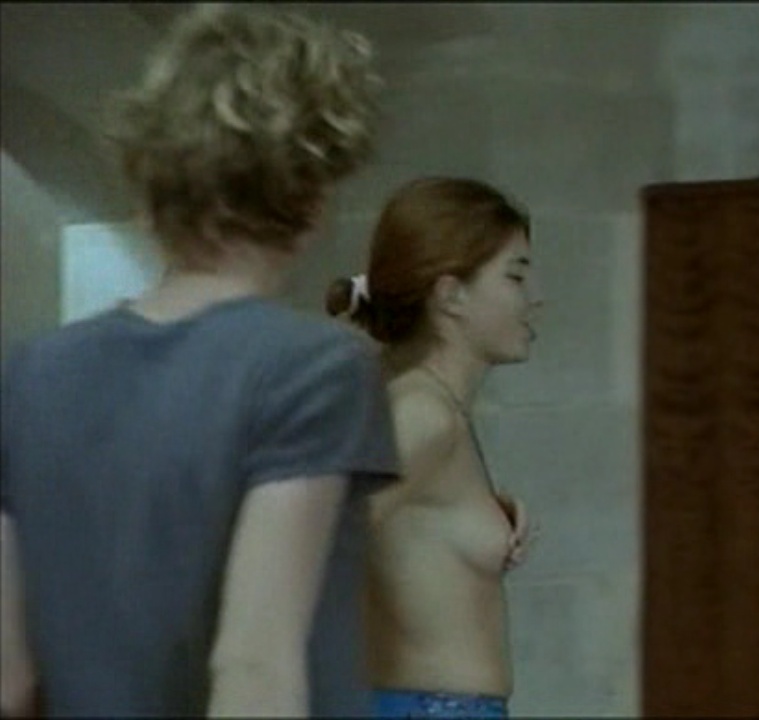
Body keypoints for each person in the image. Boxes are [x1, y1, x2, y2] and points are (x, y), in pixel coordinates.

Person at [0, 4, 399, 717]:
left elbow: (9, 681)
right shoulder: (313, 368)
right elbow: (254, 668)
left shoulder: (27, 376)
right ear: (312, 193)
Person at [324, 177, 542, 719]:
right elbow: (307, 543)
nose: (533, 297)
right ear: (451, 295)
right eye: (515, 276)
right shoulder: (423, 415)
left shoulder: (430, 409)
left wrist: (483, 516)